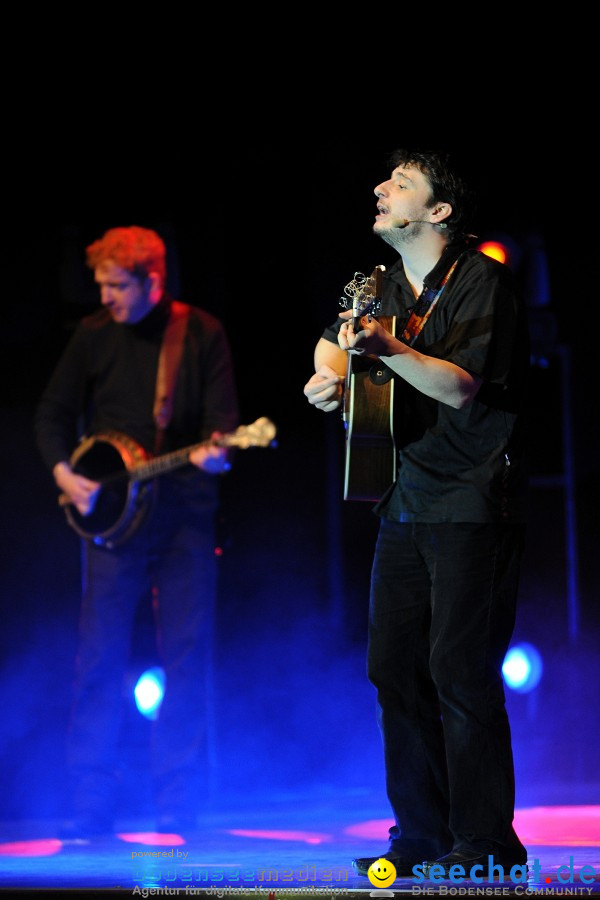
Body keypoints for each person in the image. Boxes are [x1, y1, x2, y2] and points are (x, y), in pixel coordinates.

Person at [303, 149, 529, 879]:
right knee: (393, 670)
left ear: (438, 213)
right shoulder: (377, 283)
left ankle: (488, 844)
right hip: (400, 497)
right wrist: (326, 378)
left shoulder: (481, 281)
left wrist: (385, 345)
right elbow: (335, 343)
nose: (379, 188)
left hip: (470, 500)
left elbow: (460, 387)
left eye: (400, 185)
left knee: (459, 672)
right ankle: (423, 836)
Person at [35, 225, 239, 837]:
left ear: (153, 280)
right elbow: (51, 413)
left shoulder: (200, 333)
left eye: (116, 286)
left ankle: (178, 798)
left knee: (186, 655)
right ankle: (91, 801)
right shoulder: (95, 335)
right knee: (98, 658)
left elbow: (224, 426)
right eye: (100, 284)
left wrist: (218, 453)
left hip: (182, 522)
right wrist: (64, 473)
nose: (105, 297)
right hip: (112, 525)